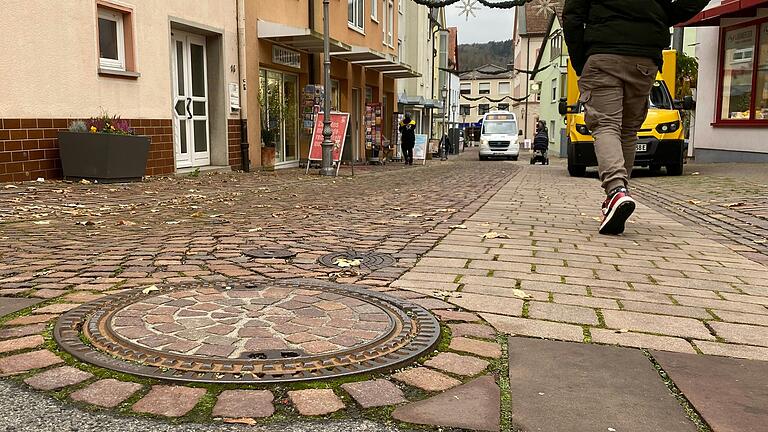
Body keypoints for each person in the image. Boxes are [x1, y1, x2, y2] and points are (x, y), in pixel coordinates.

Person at [563, 0, 709, 235]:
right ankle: (619, 194)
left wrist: (581, 61)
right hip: (645, 57)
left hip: (603, 53)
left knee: (605, 125)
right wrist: (658, 19)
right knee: (629, 130)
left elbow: (572, 16)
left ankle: (615, 191)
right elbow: (683, 6)